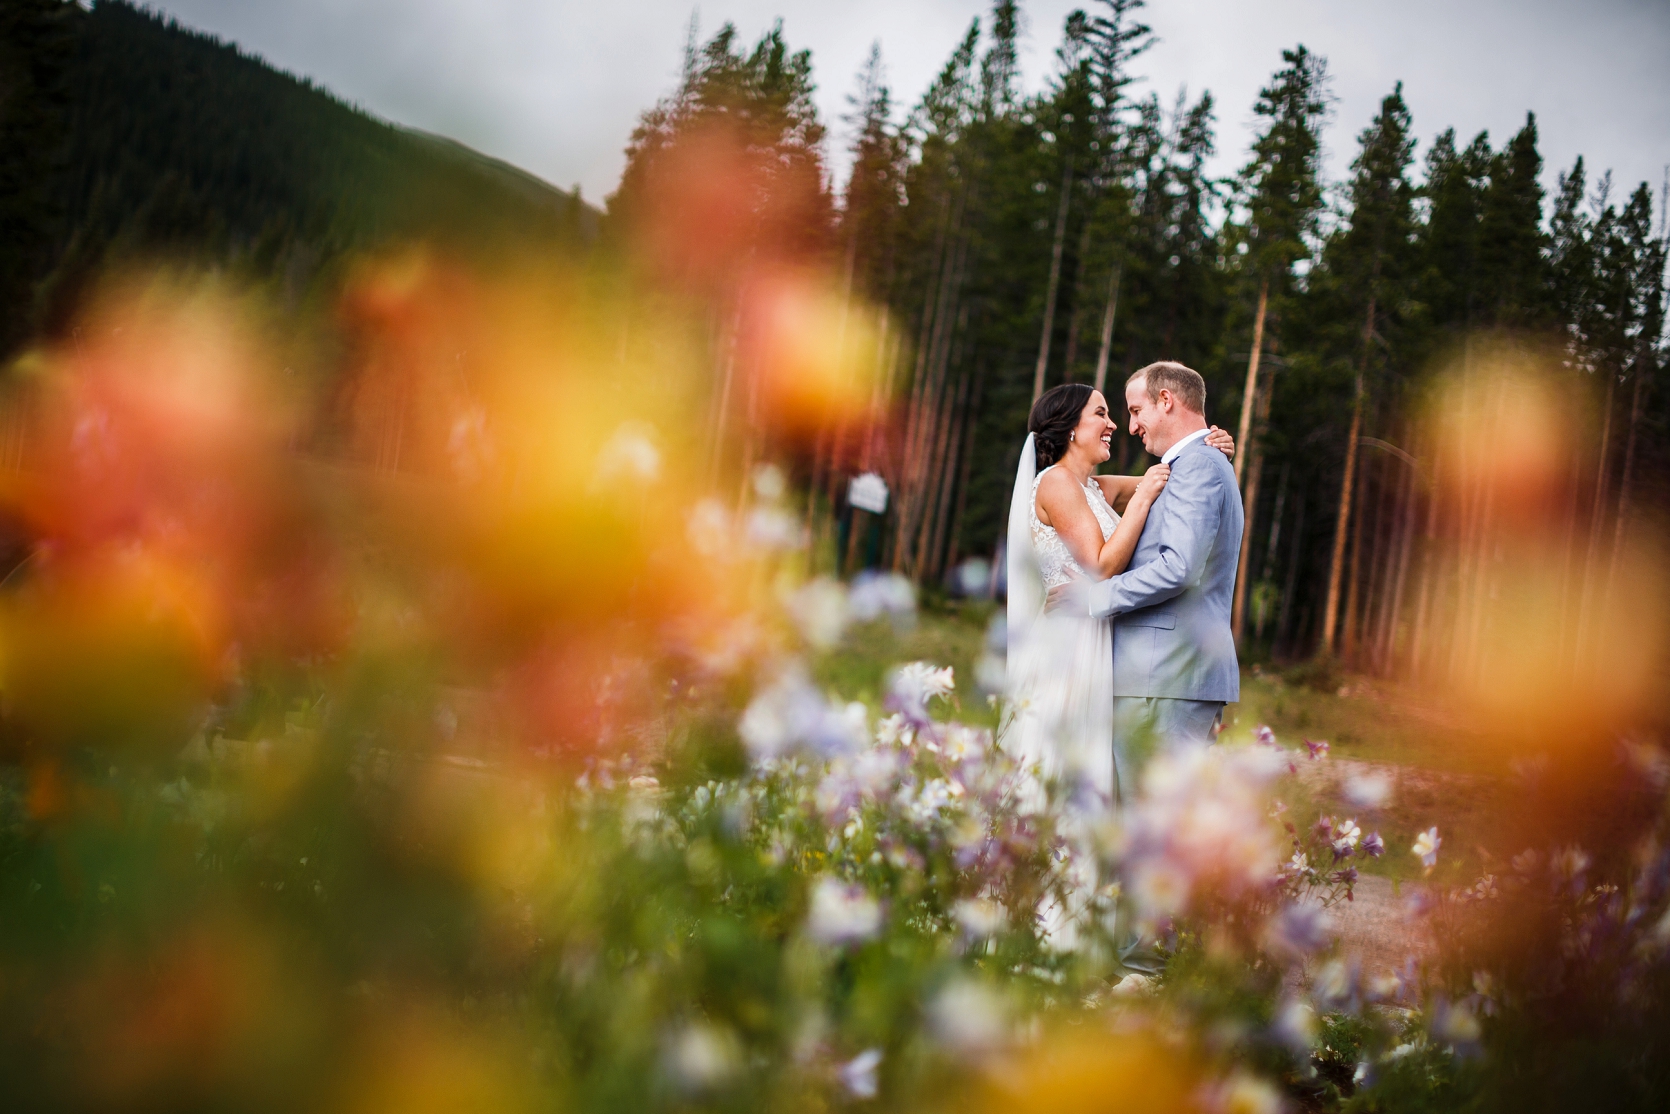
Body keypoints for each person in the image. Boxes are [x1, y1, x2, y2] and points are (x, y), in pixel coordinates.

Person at [1001, 380, 1233, 949]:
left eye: (1120, 412)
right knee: (1063, 770)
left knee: (1097, 785)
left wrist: (1209, 444)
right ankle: (1044, 928)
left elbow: (1170, 473)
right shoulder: (1055, 483)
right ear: (1069, 428)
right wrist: (1151, 494)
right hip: (1067, 651)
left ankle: (1085, 925)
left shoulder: (1091, 487)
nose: (1115, 425)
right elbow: (1104, 564)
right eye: (1103, 414)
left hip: (1097, 650)